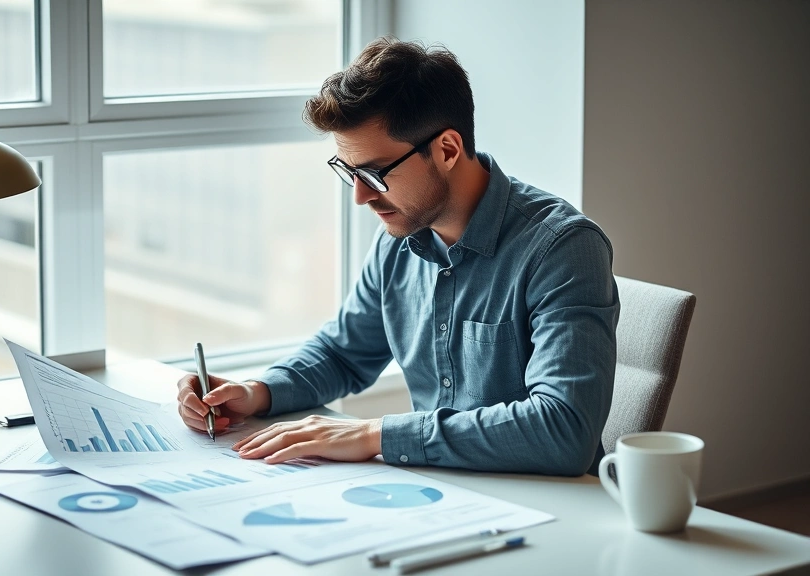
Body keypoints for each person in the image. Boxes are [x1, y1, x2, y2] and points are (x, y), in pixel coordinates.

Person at [176, 37, 619, 476]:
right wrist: (255, 392)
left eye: (374, 173)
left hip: (554, 511)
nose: (361, 196)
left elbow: (564, 429)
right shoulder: (399, 234)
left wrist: (374, 435)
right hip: (442, 494)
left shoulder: (562, 248)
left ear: (447, 149)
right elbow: (343, 354)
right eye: (349, 172)